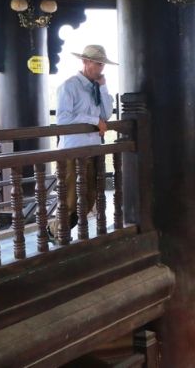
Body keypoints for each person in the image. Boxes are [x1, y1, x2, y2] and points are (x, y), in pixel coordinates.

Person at [48, 45, 116, 241]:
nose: (101, 68)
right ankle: (57, 232)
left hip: (93, 148)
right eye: (97, 64)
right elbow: (63, 119)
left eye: (102, 64)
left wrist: (103, 87)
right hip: (73, 150)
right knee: (70, 199)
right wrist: (94, 121)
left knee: (90, 196)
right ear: (85, 62)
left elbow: (107, 114)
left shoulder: (96, 87)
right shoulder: (69, 86)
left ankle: (58, 231)